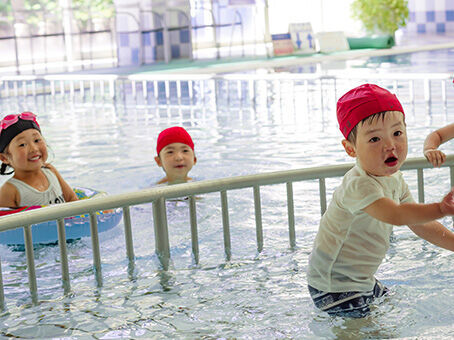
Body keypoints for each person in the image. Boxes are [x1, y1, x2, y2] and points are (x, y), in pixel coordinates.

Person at [307, 84, 454, 318]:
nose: (390, 145)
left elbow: (419, 224)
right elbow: (396, 215)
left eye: (397, 133)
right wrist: (440, 208)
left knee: (393, 308)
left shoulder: (394, 178)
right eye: (375, 138)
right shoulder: (359, 184)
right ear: (350, 149)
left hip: (360, 280)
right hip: (335, 286)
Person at [0, 112, 78, 207]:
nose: (34, 149)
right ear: (4, 158)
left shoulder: (50, 170)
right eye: (22, 145)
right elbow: (6, 220)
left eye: (37, 140)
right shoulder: (9, 191)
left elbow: (71, 199)